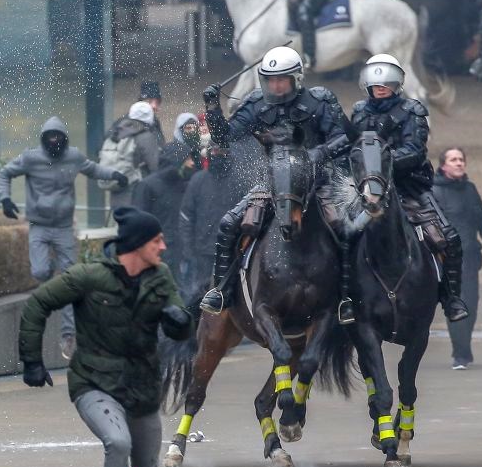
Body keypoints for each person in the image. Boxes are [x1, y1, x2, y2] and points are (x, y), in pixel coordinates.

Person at [18, 207, 193, 467]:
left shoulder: (160, 278)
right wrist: (31, 360)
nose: (163, 246)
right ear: (136, 244)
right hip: (93, 382)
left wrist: (179, 323)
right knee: (118, 441)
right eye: (156, 240)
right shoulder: (89, 276)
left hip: (142, 387)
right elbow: (39, 303)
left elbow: (179, 319)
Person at [198, 46, 350, 315]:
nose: (276, 85)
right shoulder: (256, 103)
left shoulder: (320, 100)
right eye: (271, 80)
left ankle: (348, 296)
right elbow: (224, 137)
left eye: (282, 79)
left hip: (317, 183)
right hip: (272, 184)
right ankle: (222, 290)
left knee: (344, 227)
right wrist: (212, 108)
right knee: (229, 224)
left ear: (297, 79)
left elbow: (345, 136)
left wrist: (318, 153)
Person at [344, 54, 469, 325]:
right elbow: (352, 147)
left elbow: (415, 150)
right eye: (375, 83)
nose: (380, 88)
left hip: (408, 185)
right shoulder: (359, 111)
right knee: (339, 235)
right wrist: (368, 172)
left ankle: (451, 298)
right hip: (367, 188)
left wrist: (381, 162)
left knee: (448, 237)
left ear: (397, 83)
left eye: (386, 83)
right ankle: (342, 298)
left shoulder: (413, 111)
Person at [0, 116, 127, 359]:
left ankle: (68, 336)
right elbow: (4, 173)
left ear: (64, 138)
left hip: (64, 227)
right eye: (50, 137)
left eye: (59, 136)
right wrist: (5, 199)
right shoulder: (30, 158)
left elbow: (93, 169)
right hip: (39, 225)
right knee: (39, 272)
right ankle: (47, 297)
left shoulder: (74, 156)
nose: (55, 140)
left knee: (70, 283)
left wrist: (115, 175)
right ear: (44, 139)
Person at [432, 148, 482, 369]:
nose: (459, 163)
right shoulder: (434, 191)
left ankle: (463, 351)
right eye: (453, 160)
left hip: (470, 258)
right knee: (457, 305)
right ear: (443, 166)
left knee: (472, 307)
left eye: (461, 160)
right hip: (446, 259)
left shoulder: (470, 189)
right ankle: (460, 354)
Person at [177, 141, 258, 298]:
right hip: (203, 253)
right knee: (201, 298)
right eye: (214, 150)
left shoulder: (241, 181)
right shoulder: (198, 181)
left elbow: (250, 216)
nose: (218, 154)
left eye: (221, 150)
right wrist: (189, 250)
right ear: (208, 152)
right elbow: (186, 218)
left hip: (233, 253)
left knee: (232, 298)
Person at [132, 142, 199, 281]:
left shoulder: (188, 185)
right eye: (187, 158)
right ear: (177, 160)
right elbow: (137, 222)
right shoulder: (147, 186)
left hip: (183, 253)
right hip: (158, 253)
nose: (192, 163)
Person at [99, 101, 163, 212]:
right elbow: (155, 165)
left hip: (116, 193)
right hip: (136, 195)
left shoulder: (115, 132)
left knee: (122, 226)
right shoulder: (145, 136)